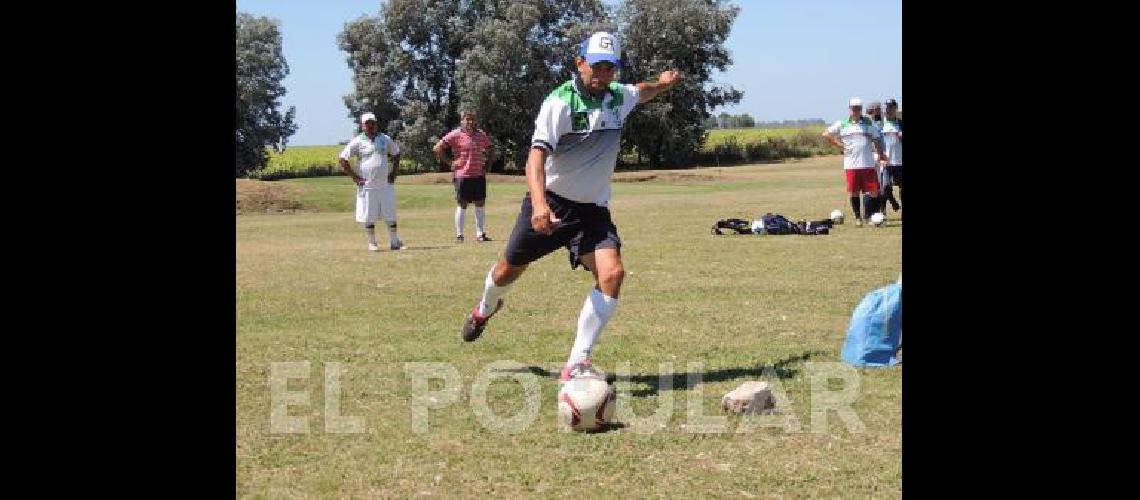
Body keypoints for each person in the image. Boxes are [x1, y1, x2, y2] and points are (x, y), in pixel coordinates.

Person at [457, 31, 682, 382]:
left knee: (613, 274)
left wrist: (664, 83)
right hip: (552, 205)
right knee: (506, 271)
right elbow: (534, 160)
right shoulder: (559, 102)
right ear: (580, 63)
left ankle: (577, 361)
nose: (603, 73)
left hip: (593, 211)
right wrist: (539, 205)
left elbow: (644, 90)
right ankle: (485, 309)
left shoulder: (618, 96)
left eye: (610, 67)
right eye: (597, 66)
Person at [337, 112, 405, 251]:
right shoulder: (357, 141)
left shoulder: (385, 139)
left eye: (372, 123)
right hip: (367, 185)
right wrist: (355, 177)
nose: (370, 126)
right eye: (367, 123)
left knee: (390, 213)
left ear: (376, 123)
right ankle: (372, 242)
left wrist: (394, 172)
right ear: (362, 125)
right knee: (368, 214)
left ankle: (394, 241)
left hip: (385, 184)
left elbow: (396, 153)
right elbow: (342, 158)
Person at [823, 98, 888, 226]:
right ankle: (858, 218)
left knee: (874, 191)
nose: (856, 110)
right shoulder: (842, 123)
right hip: (851, 164)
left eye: (858, 107)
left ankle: (870, 216)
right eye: (853, 108)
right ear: (849, 109)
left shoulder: (868, 122)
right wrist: (839, 144)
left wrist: (881, 155)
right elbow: (825, 134)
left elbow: (877, 138)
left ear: (861, 108)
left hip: (868, 163)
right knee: (854, 192)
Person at [433, 110, 496, 243]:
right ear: (462, 120)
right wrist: (450, 162)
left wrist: (487, 165)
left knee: (480, 203)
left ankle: (480, 234)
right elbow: (437, 148)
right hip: (462, 175)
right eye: (467, 119)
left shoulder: (480, 134)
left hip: (478, 175)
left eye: (472, 119)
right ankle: (459, 236)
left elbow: (491, 148)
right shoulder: (455, 134)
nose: (470, 122)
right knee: (462, 204)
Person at [880, 98, 903, 211]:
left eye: (891, 108)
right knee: (886, 187)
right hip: (886, 162)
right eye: (887, 107)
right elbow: (876, 141)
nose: (888, 110)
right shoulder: (880, 124)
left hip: (899, 161)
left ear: (895, 109)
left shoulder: (900, 123)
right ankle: (893, 202)